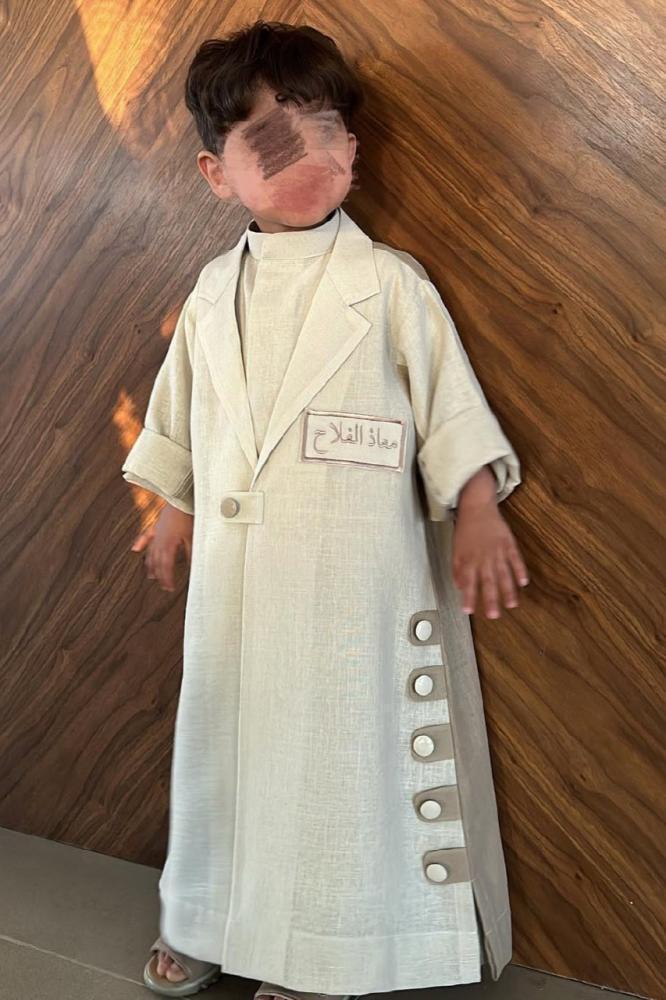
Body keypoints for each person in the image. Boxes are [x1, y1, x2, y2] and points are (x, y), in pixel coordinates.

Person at [122, 18, 529, 1000]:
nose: (303, 154)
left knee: (338, 756)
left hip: (350, 583)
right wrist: (173, 508)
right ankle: (210, 917)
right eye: (270, 139)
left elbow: (448, 405)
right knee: (223, 758)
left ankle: (327, 948)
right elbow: (181, 413)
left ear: (352, 148)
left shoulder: (389, 286)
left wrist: (478, 504)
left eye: (322, 128)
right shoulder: (212, 295)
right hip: (238, 584)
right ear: (219, 175)